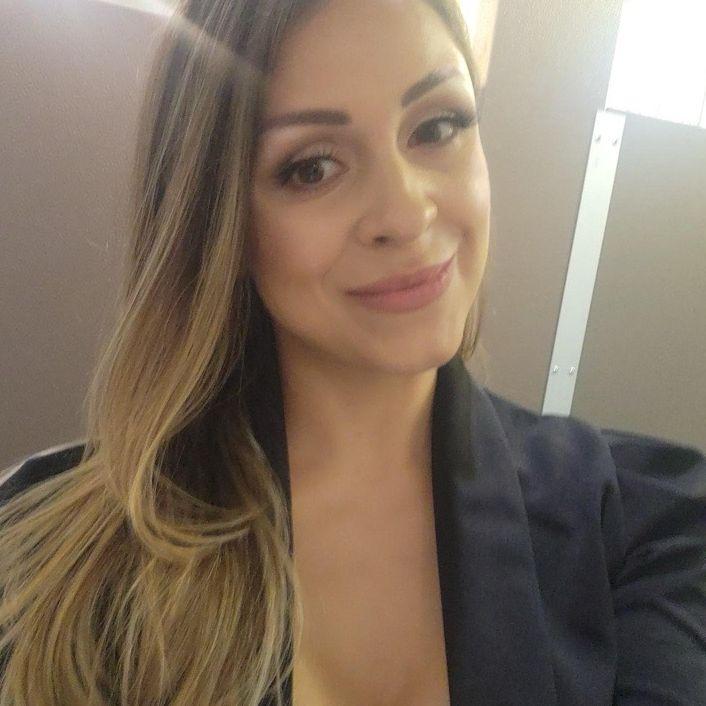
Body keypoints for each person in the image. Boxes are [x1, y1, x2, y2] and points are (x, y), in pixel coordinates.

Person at [1, 0, 704, 704]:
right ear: (223, 221)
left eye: (437, 127)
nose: (406, 213)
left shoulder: (652, 525)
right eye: (312, 168)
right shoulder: (44, 551)